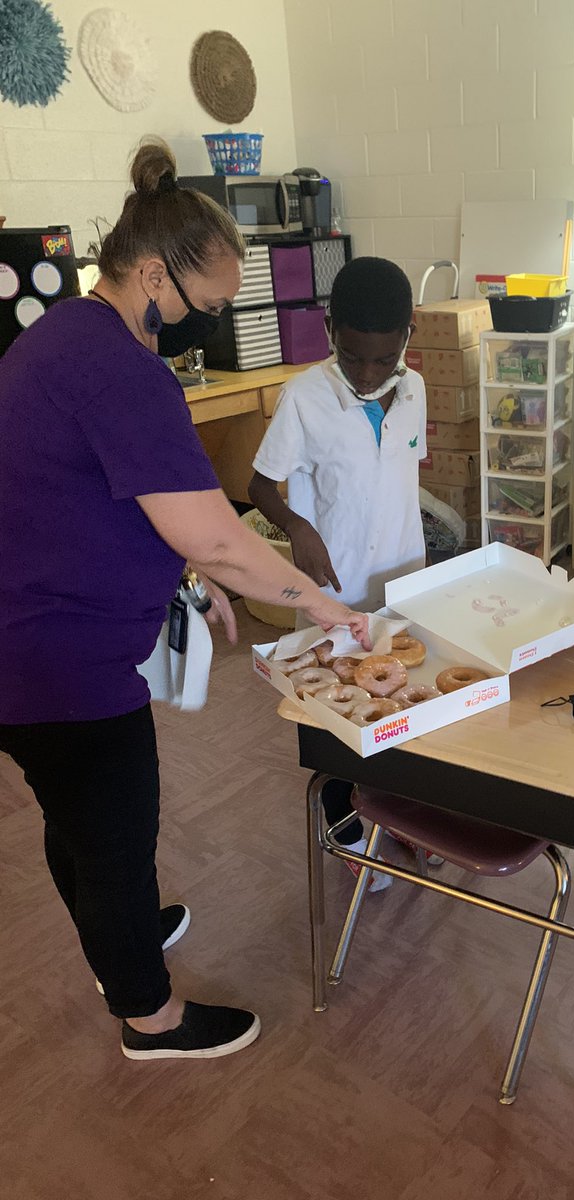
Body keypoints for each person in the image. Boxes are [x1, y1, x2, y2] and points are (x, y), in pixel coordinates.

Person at [0, 138, 370, 1062]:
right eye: (203, 307)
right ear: (154, 274)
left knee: (74, 815)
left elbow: (101, 501)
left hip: (25, 635)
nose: (205, 324)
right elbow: (215, 533)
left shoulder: (63, 339)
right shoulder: (123, 372)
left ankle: (114, 936)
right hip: (55, 656)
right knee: (114, 828)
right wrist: (321, 606)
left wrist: (186, 582)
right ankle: (149, 1019)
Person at [248, 256, 439, 890]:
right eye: (352, 356)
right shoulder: (305, 396)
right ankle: (348, 836)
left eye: (382, 359)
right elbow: (259, 485)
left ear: (408, 335)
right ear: (331, 329)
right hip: (334, 592)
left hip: (401, 583)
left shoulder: (413, 390)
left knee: (399, 711)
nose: (366, 374)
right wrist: (297, 527)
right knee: (336, 725)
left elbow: (401, 477)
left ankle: (399, 819)